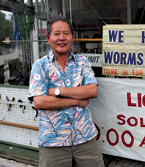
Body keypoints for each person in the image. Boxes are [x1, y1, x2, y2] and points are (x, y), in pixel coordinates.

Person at [28, 15, 104, 167]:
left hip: (85, 139)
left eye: (66, 33)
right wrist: (77, 100)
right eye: (57, 34)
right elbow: (40, 102)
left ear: (73, 37)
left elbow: (92, 90)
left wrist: (56, 91)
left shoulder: (82, 62)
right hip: (52, 142)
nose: (61, 38)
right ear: (48, 38)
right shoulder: (40, 65)